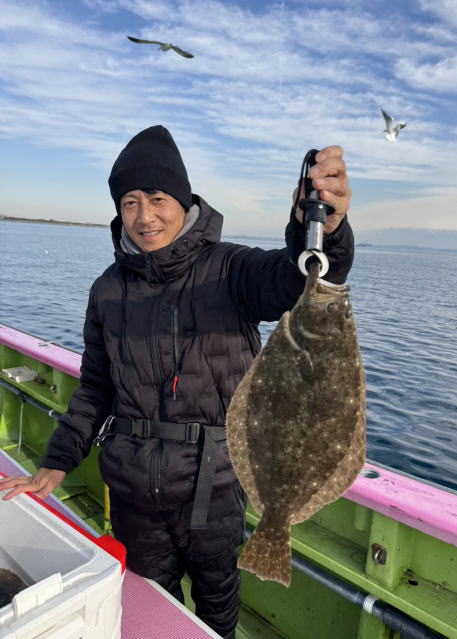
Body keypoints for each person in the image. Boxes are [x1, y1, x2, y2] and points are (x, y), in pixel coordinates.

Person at [0, 125, 354, 638]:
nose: (144, 216)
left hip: (214, 486)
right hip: (131, 489)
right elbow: (96, 386)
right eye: (130, 202)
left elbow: (301, 278)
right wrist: (56, 463)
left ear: (183, 202)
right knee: (151, 604)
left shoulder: (231, 269)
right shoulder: (107, 290)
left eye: (158, 199)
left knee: (216, 602)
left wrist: (324, 230)